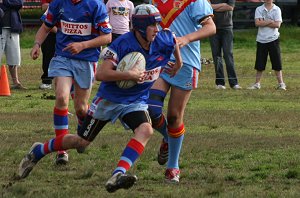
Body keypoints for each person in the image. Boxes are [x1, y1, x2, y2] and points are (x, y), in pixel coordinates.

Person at [18, 4, 182, 193]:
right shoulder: (122, 44)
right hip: (108, 100)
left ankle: (117, 174)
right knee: (81, 142)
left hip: (135, 102)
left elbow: (173, 40)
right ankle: (38, 151)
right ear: (141, 27)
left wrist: (178, 63)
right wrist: (129, 74)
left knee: (146, 130)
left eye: (158, 25)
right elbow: (102, 74)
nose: (157, 29)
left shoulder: (163, 39)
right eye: (153, 25)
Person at [29, 0, 112, 164]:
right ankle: (61, 150)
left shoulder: (95, 5)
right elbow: (46, 27)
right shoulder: (58, 3)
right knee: (61, 98)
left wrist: (83, 45)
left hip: (86, 60)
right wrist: (36, 44)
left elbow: (107, 36)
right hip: (62, 57)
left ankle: (82, 135)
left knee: (81, 109)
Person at [148, 0, 216, 183]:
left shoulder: (195, 1)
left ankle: (173, 167)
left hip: (186, 64)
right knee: (151, 109)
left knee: (173, 117)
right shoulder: (154, 1)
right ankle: (169, 139)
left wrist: (186, 39)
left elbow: (210, 28)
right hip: (160, 61)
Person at [247, 0, 286, 90]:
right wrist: (270, 21)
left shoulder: (277, 9)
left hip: (274, 39)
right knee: (260, 63)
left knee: (277, 62)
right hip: (261, 39)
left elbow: (277, 24)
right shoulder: (259, 9)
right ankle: (257, 84)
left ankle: (281, 84)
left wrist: (264, 21)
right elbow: (257, 23)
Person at [209, 0, 242, 90]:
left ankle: (234, 83)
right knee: (216, 56)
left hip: (227, 27)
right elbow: (207, 7)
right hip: (213, 28)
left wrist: (214, 7)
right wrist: (222, 5)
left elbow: (230, 7)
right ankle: (220, 82)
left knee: (228, 55)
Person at [0, 0, 26, 89]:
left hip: (13, 27)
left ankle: (16, 82)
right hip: (1, 28)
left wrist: (4, 2)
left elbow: (20, 3)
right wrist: (11, 4)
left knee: (14, 57)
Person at [39, 0, 56, 90]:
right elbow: (45, 21)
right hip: (52, 33)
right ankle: (46, 80)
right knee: (48, 55)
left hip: (68, 36)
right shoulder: (57, 4)